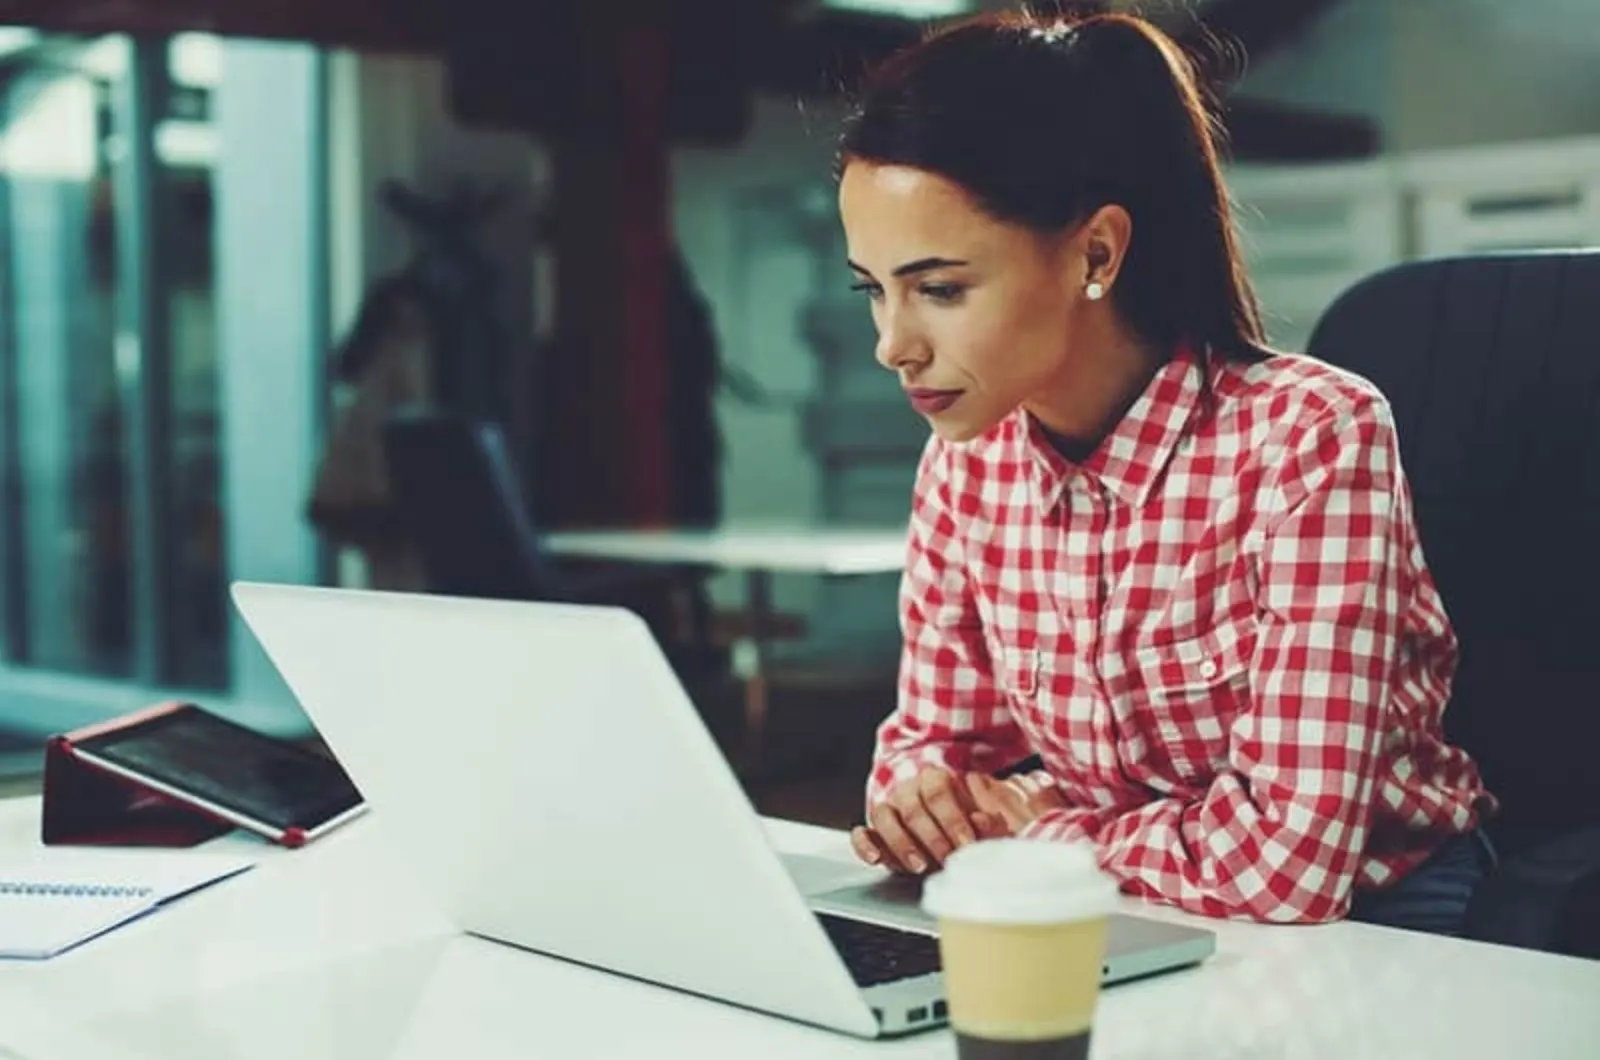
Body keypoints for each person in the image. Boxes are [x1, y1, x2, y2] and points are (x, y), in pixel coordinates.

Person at [836, 11, 1497, 935]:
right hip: (1122, 902)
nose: (892, 347)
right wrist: (924, 808)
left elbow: (1288, 869)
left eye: (940, 289)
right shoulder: (966, 462)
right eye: (875, 288)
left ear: (1095, 253)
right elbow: (929, 751)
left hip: (1366, 917)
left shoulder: (1312, 438)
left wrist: (1042, 834)